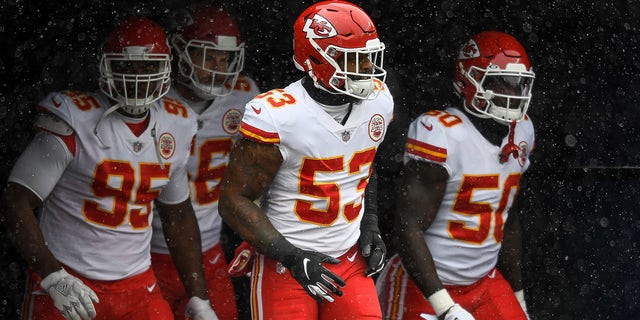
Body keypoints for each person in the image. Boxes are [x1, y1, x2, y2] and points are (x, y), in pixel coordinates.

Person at [0, 16, 218, 320]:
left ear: (166, 68)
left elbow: (177, 214)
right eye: (127, 67)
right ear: (105, 67)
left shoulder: (177, 122)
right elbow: (16, 200)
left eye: (148, 67)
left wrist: (199, 296)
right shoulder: (74, 117)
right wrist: (52, 275)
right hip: (70, 280)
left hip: (138, 285)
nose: (137, 78)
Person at [218, 1, 393, 318]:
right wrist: (290, 256)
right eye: (355, 58)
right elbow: (233, 200)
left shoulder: (379, 100)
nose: (368, 67)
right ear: (316, 60)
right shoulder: (278, 114)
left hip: (347, 258)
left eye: (369, 56)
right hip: (283, 264)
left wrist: (371, 226)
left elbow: (362, 166)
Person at [375, 31, 535, 320]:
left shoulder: (522, 131)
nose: (512, 93)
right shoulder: (443, 133)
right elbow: (407, 227)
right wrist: (444, 306)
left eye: (519, 83)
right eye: (503, 82)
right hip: (425, 284)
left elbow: (508, 220)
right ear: (467, 80)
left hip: (485, 281)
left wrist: (518, 295)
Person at [149, 3, 260, 320]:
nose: (218, 66)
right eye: (207, 56)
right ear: (179, 52)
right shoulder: (149, 98)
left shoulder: (243, 95)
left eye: (224, 58)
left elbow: (264, 175)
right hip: (140, 254)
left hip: (209, 252)